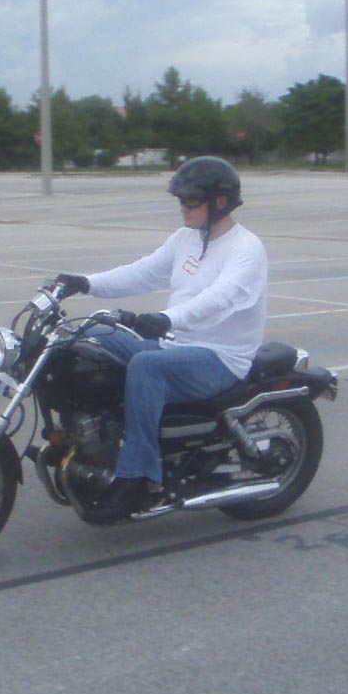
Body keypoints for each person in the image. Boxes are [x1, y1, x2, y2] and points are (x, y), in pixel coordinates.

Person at [54, 156, 268, 524]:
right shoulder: (186, 238)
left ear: (220, 202)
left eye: (191, 200)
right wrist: (85, 283)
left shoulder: (246, 249)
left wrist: (167, 319)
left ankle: (138, 477)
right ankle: (86, 440)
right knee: (83, 336)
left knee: (146, 366)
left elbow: (219, 299)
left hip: (219, 357)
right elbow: (142, 272)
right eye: (181, 200)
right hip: (175, 345)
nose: (183, 207)